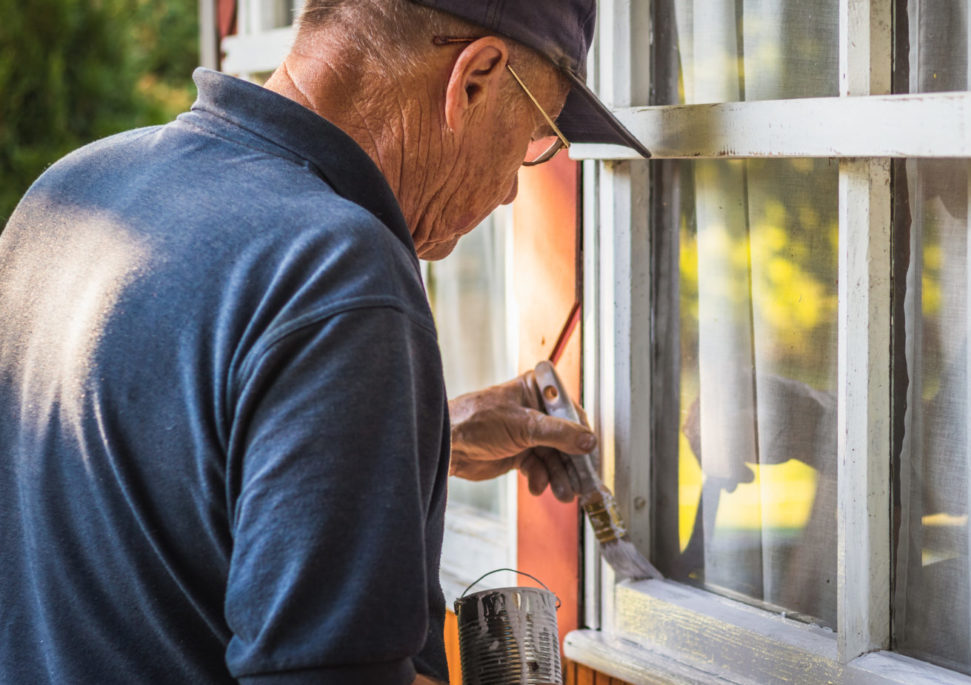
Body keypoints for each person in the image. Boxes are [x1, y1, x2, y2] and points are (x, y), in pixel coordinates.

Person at [0, 0, 649, 683]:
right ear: (475, 78)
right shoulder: (338, 270)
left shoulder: (69, 194)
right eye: (533, 137)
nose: (514, 189)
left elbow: (149, 474)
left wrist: (425, 438)